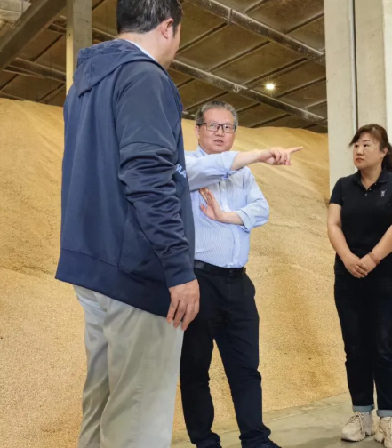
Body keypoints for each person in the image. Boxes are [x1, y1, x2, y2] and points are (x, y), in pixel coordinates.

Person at [55, 0, 199, 447]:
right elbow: (148, 178)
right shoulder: (144, 77)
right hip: (139, 271)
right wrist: (179, 269)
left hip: (95, 267)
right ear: (167, 26)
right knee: (138, 416)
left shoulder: (84, 85)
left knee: (102, 404)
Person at [179, 100, 301, 448]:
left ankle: (255, 439)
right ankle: (205, 442)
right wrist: (259, 155)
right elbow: (211, 170)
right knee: (195, 369)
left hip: (238, 283)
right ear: (198, 130)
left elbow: (261, 210)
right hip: (198, 282)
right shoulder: (185, 164)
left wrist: (225, 216)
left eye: (228, 127)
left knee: (246, 367)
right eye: (213, 126)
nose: (221, 133)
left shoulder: (243, 173)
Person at [327, 124, 392, 448]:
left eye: (367, 144)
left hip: (385, 276)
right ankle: (362, 415)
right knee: (355, 347)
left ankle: (388, 418)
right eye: (356, 145)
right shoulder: (343, 186)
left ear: (383, 151)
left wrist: (373, 258)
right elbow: (333, 224)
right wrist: (349, 257)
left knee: (386, 347)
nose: (359, 150)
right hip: (348, 277)